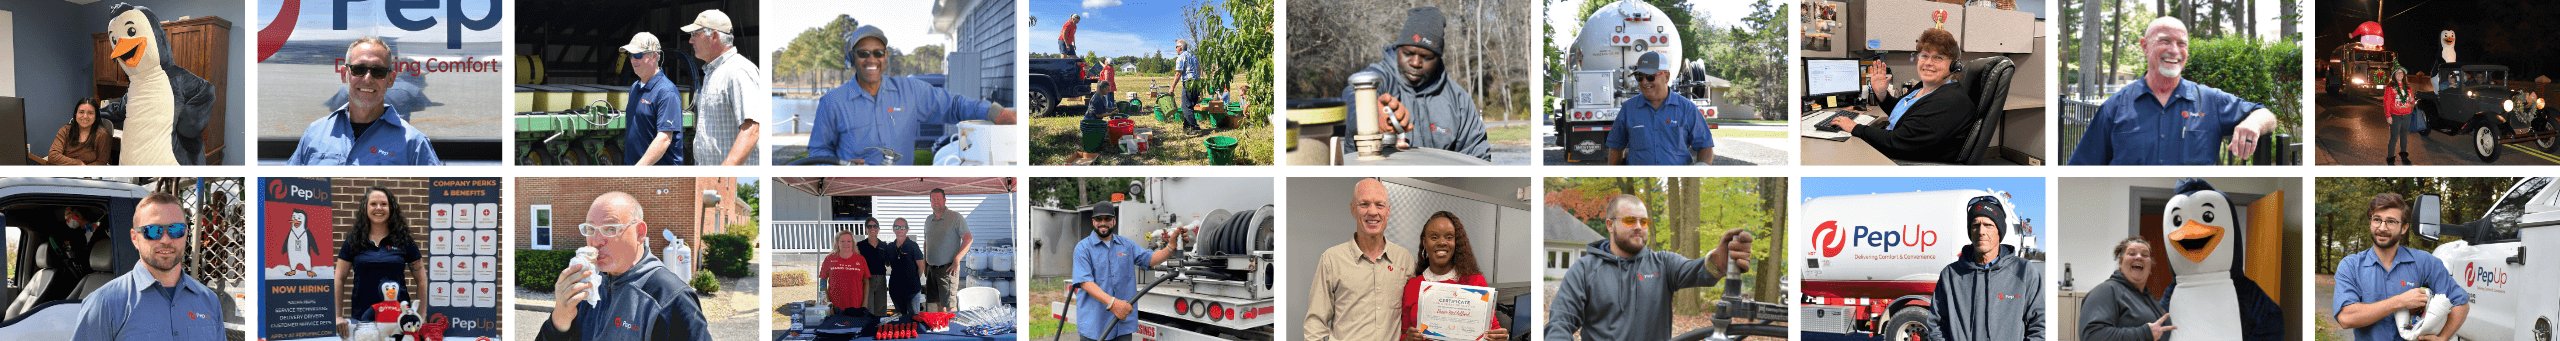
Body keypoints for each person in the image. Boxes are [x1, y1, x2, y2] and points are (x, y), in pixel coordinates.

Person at [2066, 17, 2281, 165]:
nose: (2174, 51)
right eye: (2164, 41)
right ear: (2144, 46)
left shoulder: (2210, 101)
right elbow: (2080, 167)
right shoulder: (2114, 107)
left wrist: (2252, 123)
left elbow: (2267, 115)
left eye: (2182, 43)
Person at [1545, 194, 1752, 341]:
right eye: (1629, 220)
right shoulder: (1584, 269)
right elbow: (1560, 324)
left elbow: (1699, 270)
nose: (1638, 227)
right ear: (1610, 225)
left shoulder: (1663, 263)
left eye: (1643, 222)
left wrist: (1719, 261)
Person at [807, 25, 1019, 166]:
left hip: (901, 188)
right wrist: (842, 171)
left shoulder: (911, 91)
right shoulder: (832, 102)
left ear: (885, 56)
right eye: (863, 53)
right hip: (859, 190)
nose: (871, 59)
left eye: (878, 52)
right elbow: (818, 152)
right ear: (851, 58)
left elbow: (954, 105)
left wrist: (995, 112)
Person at [538, 192, 712, 340]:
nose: (596, 241)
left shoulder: (670, 298)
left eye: (610, 228)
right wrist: (560, 318)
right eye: (590, 229)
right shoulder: (588, 284)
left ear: (640, 233)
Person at [1337, 7, 1492, 161]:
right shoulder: (1379, 78)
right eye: (1408, 53)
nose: (1415, 63)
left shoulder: (1459, 101)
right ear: (1398, 49)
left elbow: (1478, 159)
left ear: (1438, 58)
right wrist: (1370, 114)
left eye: (1427, 57)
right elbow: (1352, 95)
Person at [72, 192, 224, 341]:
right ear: (134, 238)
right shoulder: (104, 304)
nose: (166, 239)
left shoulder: (209, 300)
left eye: (175, 229)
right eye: (153, 231)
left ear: (185, 234)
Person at [1826, 28, 1975, 163]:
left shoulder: (1949, 101)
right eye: (1924, 56)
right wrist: (1882, 94)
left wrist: (1854, 127)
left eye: (1938, 58)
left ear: (1954, 65)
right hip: (1896, 151)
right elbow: (1907, 115)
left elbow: (1896, 142)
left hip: (1904, 162)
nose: (1928, 63)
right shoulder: (1925, 88)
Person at [2333, 193, 2469, 341]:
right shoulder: (2351, 265)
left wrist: (2443, 338)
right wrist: (2400, 301)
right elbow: (2346, 318)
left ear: (2404, 228)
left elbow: (2461, 303)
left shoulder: (2425, 262)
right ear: (2370, 222)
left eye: (2391, 222)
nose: (2382, 228)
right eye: (2377, 220)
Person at [288, 37, 443, 165]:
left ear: (391, 79)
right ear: (344, 75)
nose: (367, 79)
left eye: (378, 71)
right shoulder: (314, 133)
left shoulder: (415, 144)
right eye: (358, 69)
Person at [1308, 178, 1415, 341]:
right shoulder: (1332, 259)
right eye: (1364, 204)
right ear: (1353, 209)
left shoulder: (1404, 259)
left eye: (1380, 205)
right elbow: (1314, 324)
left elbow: (1411, 315)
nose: (1372, 212)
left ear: (1388, 211)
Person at [1931, 197, 2045, 341]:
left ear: (1999, 232)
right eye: (1975, 225)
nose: (1981, 231)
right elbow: (1937, 325)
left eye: (1988, 225)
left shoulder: (2024, 271)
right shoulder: (1950, 275)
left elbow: (2040, 325)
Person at [1069, 201, 1185, 341]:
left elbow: (1150, 259)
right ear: (1093, 221)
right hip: (1094, 326)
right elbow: (1085, 282)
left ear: (1114, 221)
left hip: (1121, 326)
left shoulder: (1126, 245)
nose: (1103, 223)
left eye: (1107, 219)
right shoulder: (1083, 248)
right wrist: (1113, 303)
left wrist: (1171, 247)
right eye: (1099, 219)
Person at [1398, 212, 1507, 341]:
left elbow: (1492, 330)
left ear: (1456, 243)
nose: (1442, 242)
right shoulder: (1412, 286)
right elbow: (1404, 333)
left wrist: (1500, 337)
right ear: (1424, 242)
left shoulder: (1475, 281)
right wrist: (1407, 339)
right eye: (1434, 237)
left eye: (1449, 237)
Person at [335, 186, 426, 335]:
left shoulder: (404, 240)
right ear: (366, 207)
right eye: (373, 204)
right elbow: (339, 278)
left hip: (399, 321)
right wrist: (338, 316)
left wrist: (420, 316)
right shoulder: (354, 239)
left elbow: (422, 280)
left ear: (391, 208)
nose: (379, 208)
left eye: (384, 204)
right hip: (362, 320)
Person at [684, 9, 763, 166]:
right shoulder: (713, 71)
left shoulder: (738, 70)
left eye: (695, 34)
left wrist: (722, 174)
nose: (690, 41)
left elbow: (752, 129)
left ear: (714, 36)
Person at [1609, 51, 1716, 165]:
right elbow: (1616, 147)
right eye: (1639, 76)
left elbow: (1705, 147)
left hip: (1677, 181)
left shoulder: (1687, 108)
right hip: (1639, 182)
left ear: (1666, 77)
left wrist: (1700, 170)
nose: (1644, 82)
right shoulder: (1628, 108)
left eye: (1650, 77)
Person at [2079, 238, 2173, 341]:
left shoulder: (2150, 300)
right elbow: (2092, 336)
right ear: (2120, 262)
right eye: (2132, 253)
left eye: (2145, 255)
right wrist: (2144, 334)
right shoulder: (2106, 291)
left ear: (2150, 266)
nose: (2139, 257)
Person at [621, 32, 686, 166]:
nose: (633, 60)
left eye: (638, 55)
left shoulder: (666, 92)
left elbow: (664, 139)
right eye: (630, 55)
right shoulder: (635, 87)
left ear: (654, 56)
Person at [922, 188, 974, 311]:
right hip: (931, 269)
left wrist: (957, 260)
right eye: (933, 199)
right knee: (938, 303)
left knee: (950, 305)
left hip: (948, 269)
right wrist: (925, 265)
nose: (936, 202)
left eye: (938, 199)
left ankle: (951, 329)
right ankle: (943, 328)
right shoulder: (928, 220)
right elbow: (926, 242)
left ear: (944, 200)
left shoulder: (955, 217)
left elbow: (968, 239)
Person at [46, 97, 118, 165]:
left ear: (96, 116)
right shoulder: (65, 130)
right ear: (75, 114)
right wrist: (78, 164)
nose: (85, 116)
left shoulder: (102, 135)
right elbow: (53, 156)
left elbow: (101, 162)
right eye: (81, 112)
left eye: (90, 113)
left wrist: (83, 171)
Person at [819, 230, 872, 317]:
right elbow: (822, 282)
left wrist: (865, 304)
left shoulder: (861, 259)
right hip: (835, 308)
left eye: (848, 241)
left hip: (857, 307)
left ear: (852, 243)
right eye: (842, 241)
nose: (845, 243)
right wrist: (827, 305)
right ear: (837, 243)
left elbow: (866, 282)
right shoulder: (829, 259)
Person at [890, 218, 927, 315]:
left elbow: (921, 266)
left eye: (902, 227)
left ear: (906, 229)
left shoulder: (913, 246)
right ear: (893, 229)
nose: (899, 230)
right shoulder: (890, 247)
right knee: (900, 317)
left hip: (912, 290)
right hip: (895, 289)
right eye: (897, 227)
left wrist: (912, 279)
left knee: (914, 317)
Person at [2384, 67, 2414, 166]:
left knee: (2404, 136)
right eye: (2397, 73)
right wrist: (2388, 116)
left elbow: (2412, 100)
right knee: (2394, 137)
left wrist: (2411, 100)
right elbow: (2386, 102)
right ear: (2394, 75)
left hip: (2407, 115)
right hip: (2395, 116)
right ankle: (2390, 159)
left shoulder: (2408, 86)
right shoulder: (2390, 86)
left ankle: (2404, 156)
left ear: (2404, 75)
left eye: (2401, 73)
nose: (2399, 74)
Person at [1175, 39, 1203, 132]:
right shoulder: (1194, 56)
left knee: (1185, 107)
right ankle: (1186, 126)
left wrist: (1172, 88)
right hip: (1197, 83)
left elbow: (1178, 74)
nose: (1175, 49)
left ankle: (1195, 127)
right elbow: (1199, 69)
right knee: (1190, 105)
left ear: (1180, 47)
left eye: (1176, 47)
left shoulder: (1181, 57)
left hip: (1189, 83)